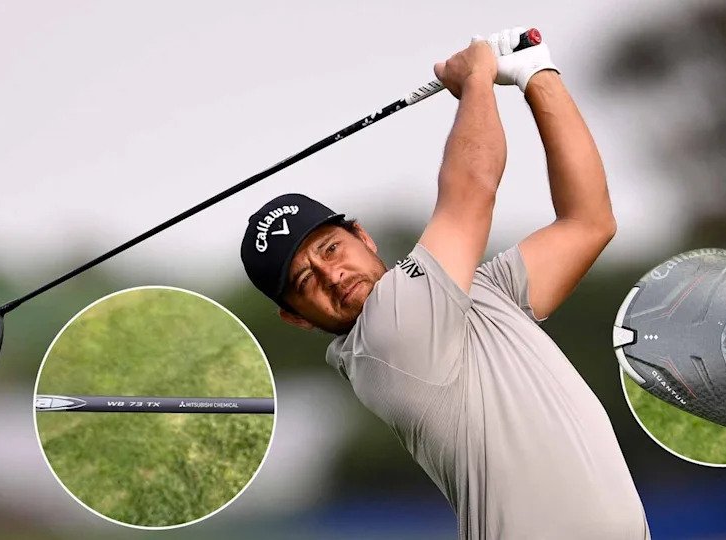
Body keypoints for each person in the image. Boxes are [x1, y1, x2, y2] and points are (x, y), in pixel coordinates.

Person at [241, 27, 649, 539]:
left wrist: (536, 73)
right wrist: (476, 77)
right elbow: (472, 189)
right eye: (305, 280)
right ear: (296, 317)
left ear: (362, 236)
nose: (332, 275)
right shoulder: (385, 338)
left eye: (330, 249)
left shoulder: (478, 294)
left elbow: (588, 222)